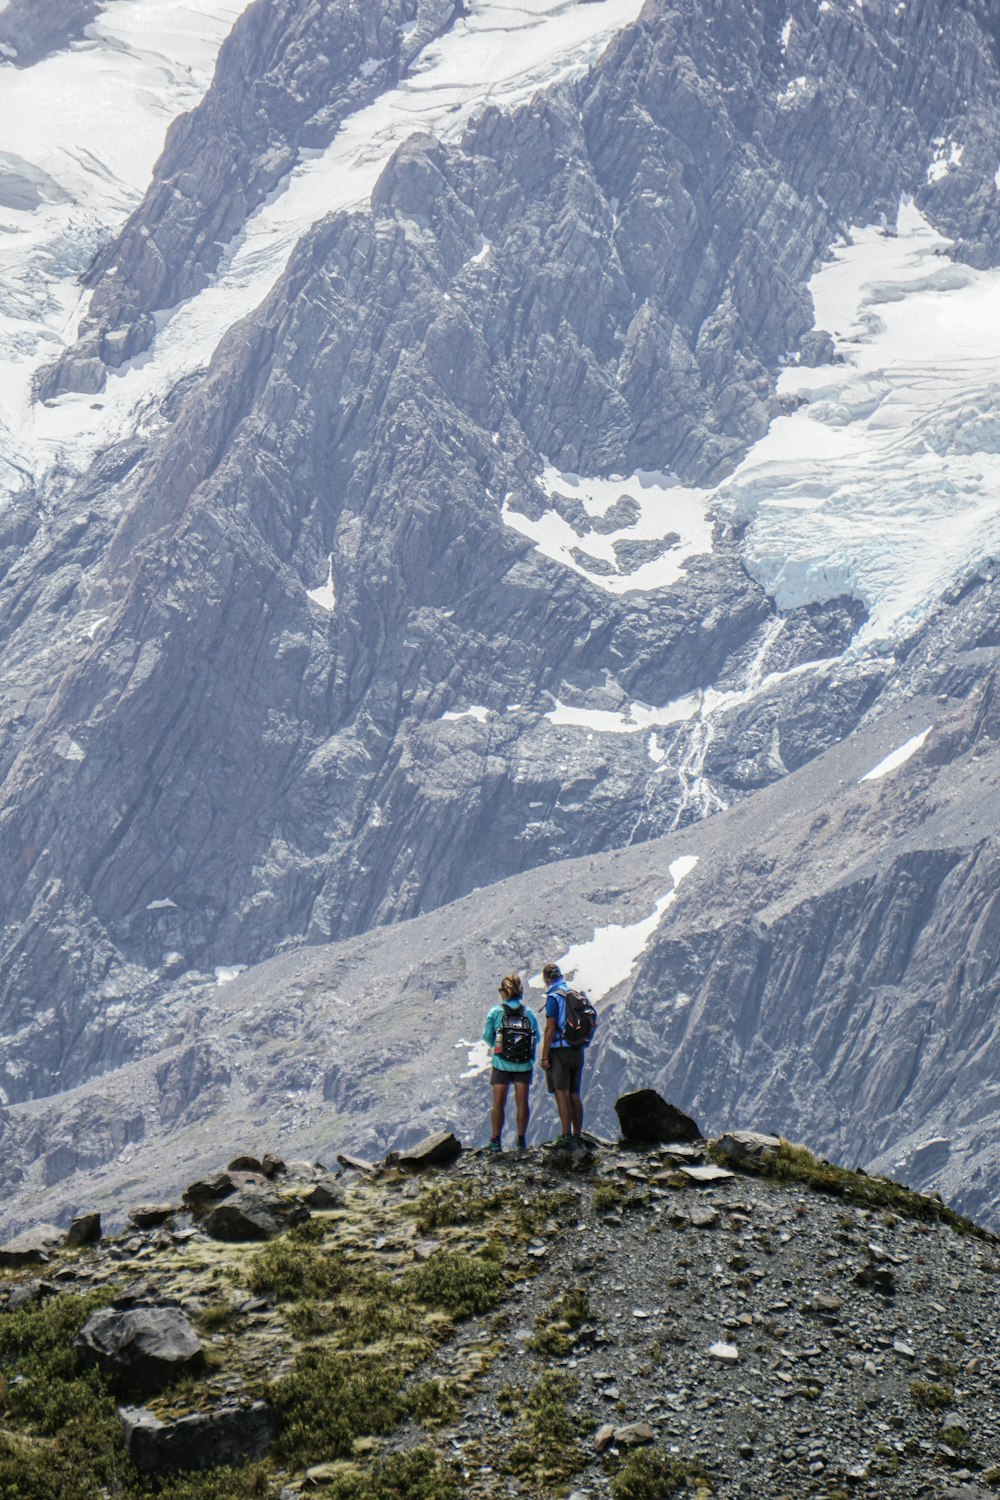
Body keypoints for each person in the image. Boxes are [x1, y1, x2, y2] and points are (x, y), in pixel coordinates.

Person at [482, 974, 540, 1152]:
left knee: (498, 1103)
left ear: (503, 992)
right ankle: (521, 1141)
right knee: (522, 1102)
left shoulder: (496, 1012)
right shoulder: (528, 1013)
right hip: (523, 1065)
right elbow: (536, 1038)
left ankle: (495, 1141)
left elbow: (487, 1037)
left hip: (501, 1063)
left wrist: (498, 1047)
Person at [540, 962, 595, 1149]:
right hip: (577, 1050)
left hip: (560, 1051)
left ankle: (566, 1135)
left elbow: (550, 1027)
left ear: (546, 979)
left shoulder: (553, 998)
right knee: (574, 1093)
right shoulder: (574, 995)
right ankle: (577, 1134)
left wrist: (545, 1055)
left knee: (561, 1093)